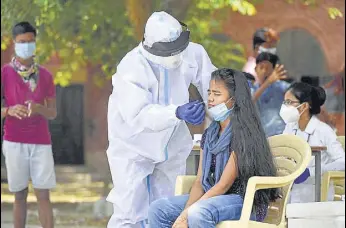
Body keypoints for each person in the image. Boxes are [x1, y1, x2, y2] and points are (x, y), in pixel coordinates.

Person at [106, 11, 216, 228]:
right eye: (169, 50)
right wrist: (177, 112)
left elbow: (214, 85)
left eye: (179, 47)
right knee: (129, 211)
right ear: (151, 47)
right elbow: (137, 114)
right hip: (134, 146)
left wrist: (214, 112)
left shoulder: (192, 53)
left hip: (173, 143)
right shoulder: (131, 67)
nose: (176, 55)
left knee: (166, 207)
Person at [148, 68, 280, 228]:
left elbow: (223, 185)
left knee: (198, 212)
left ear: (234, 99)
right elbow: (199, 181)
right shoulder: (210, 133)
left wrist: (187, 214)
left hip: (243, 199)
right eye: (209, 92)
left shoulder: (244, 134)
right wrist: (185, 213)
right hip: (213, 194)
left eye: (217, 94)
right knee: (158, 209)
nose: (210, 98)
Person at [1, 22, 57, 228]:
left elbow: (53, 112)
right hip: (14, 141)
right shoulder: (4, 74)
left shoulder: (46, 76)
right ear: (14, 43)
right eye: (22, 42)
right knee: (19, 195)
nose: (27, 45)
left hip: (41, 142)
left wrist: (39, 108)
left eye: (31, 41)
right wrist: (8, 110)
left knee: (43, 194)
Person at [280, 82, 345, 203]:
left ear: (304, 106)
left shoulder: (323, 130)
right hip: (293, 190)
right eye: (284, 102)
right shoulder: (290, 127)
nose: (284, 107)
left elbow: (343, 162)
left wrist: (311, 172)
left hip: (317, 191)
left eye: (289, 102)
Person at [252, 52, 289, 137]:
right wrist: (268, 82)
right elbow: (248, 102)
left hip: (281, 134)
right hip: (261, 137)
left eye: (268, 68)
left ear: (274, 71)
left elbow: (297, 95)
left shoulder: (282, 86)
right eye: (261, 67)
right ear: (255, 69)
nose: (264, 71)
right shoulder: (251, 89)